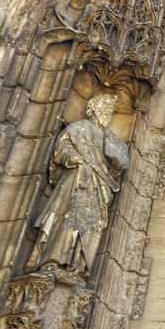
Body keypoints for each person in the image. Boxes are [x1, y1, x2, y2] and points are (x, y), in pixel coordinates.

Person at [26, 93, 129, 277]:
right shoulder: (79, 127)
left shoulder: (110, 139)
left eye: (110, 109)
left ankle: (77, 268)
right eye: (105, 107)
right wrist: (75, 159)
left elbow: (113, 171)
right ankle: (53, 260)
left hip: (98, 189)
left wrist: (116, 166)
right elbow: (61, 148)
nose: (108, 112)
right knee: (67, 219)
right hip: (76, 180)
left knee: (90, 227)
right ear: (93, 108)